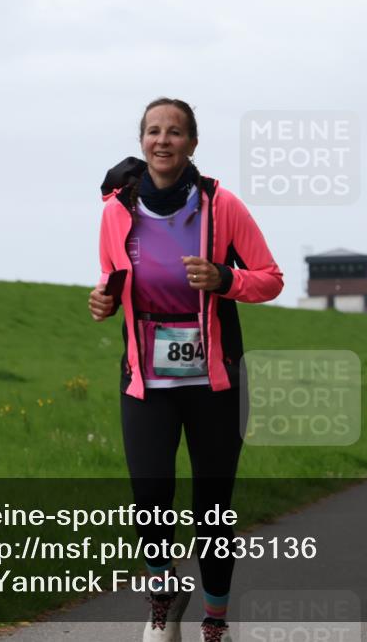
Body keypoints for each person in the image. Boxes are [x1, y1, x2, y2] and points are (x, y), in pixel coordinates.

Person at [88, 98, 283, 642]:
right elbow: (112, 279)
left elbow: (270, 277)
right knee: (149, 495)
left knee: (212, 510)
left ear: (192, 143)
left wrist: (226, 278)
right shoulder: (114, 211)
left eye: (175, 132)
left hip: (215, 381)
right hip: (145, 379)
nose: (163, 140)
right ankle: (164, 591)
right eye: (153, 131)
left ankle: (216, 619)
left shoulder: (223, 207)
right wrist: (103, 301)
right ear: (142, 141)